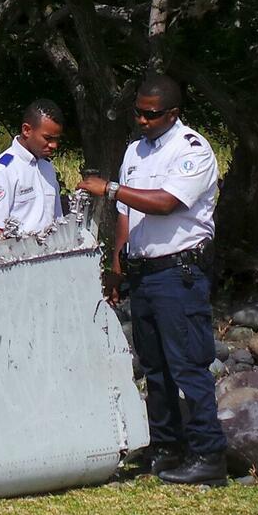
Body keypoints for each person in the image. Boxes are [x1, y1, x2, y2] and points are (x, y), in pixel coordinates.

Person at [77, 74, 228, 486]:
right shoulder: (134, 151)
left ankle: (208, 452)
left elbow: (164, 204)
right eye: (138, 112)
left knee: (188, 365)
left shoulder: (192, 150)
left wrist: (108, 188)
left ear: (173, 114)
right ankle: (165, 446)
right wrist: (117, 265)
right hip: (144, 271)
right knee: (154, 367)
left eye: (151, 114)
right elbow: (128, 216)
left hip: (178, 272)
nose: (142, 120)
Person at [0, 99, 65, 236]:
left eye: (56, 139)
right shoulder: (3, 170)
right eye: (48, 138)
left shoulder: (47, 168)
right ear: (27, 130)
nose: (54, 145)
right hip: (18, 255)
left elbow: (57, 220)